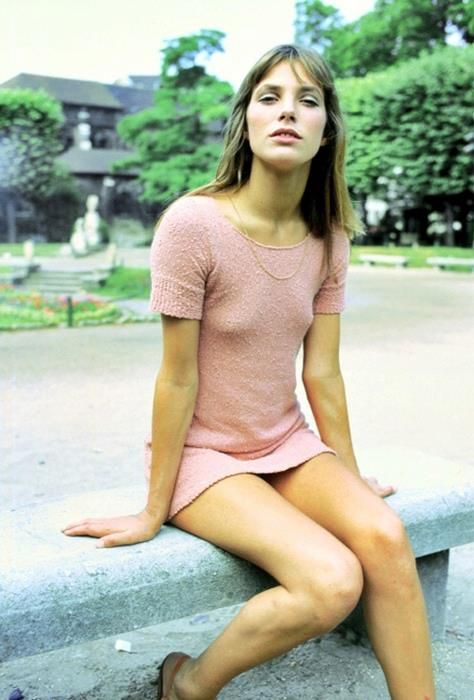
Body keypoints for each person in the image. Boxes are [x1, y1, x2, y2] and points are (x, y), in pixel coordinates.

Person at [63, 44, 436, 700]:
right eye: (270, 97)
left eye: (308, 100)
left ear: (327, 131)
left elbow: (323, 373)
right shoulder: (192, 225)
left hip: (286, 443)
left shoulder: (329, 238)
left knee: (383, 534)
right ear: (247, 122)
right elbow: (176, 379)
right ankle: (188, 684)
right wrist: (154, 508)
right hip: (207, 459)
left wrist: (348, 478)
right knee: (332, 581)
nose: (288, 111)